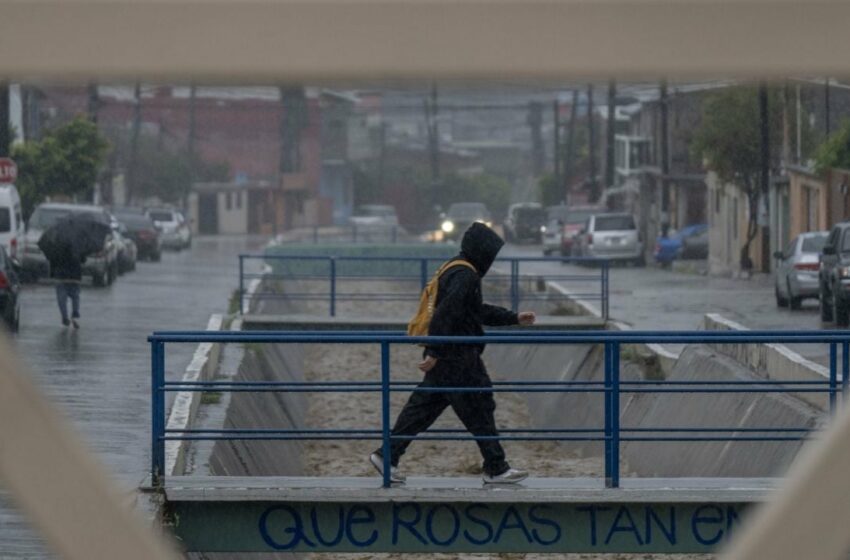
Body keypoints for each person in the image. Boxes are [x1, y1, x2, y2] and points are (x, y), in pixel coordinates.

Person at [370, 222, 536, 484]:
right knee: (479, 407)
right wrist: (435, 350)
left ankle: (386, 455)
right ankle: (496, 467)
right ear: (483, 251)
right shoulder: (466, 275)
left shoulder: (455, 268)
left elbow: (474, 311)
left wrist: (513, 317)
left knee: (422, 410)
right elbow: (447, 312)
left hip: (450, 355)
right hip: (458, 357)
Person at [48, 240, 84, 328]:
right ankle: (75, 314)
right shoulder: (78, 244)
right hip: (74, 276)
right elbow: (83, 260)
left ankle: (64, 317)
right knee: (75, 296)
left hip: (61, 276)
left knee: (61, 299)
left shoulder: (57, 245)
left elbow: (53, 261)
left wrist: (52, 274)